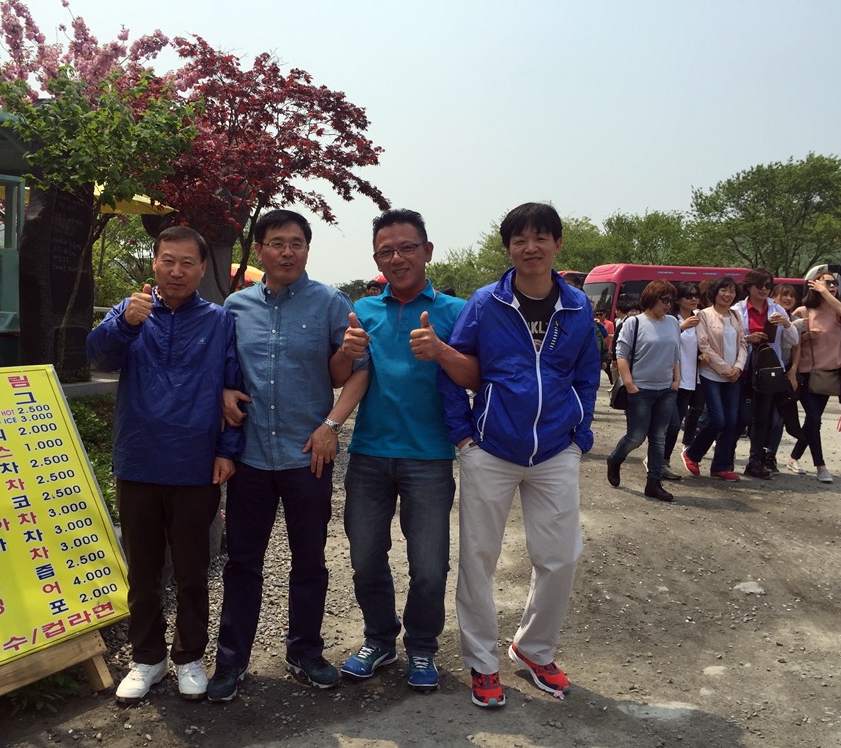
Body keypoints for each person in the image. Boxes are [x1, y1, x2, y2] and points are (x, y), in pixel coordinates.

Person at [438, 202, 598, 708]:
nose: (530, 248)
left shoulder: (577, 307)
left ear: (557, 244)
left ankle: (534, 649)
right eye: (519, 240)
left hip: (554, 451)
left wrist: (580, 437)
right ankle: (482, 662)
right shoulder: (486, 302)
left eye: (540, 238)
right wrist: (463, 436)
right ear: (508, 248)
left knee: (560, 557)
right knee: (478, 559)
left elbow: (587, 375)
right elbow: (452, 366)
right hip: (491, 449)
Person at [209, 210, 369, 702]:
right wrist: (222, 392)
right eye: (277, 242)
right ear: (259, 249)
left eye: (296, 243)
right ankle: (231, 660)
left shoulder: (331, 303)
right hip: (251, 457)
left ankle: (304, 651)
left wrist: (331, 426)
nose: (287, 251)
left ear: (307, 249)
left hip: (308, 455)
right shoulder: (234, 307)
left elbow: (355, 372)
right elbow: (219, 368)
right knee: (242, 562)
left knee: (309, 560)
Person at [86, 226, 244, 704]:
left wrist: (227, 450)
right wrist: (125, 324)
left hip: (195, 463)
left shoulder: (219, 321)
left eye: (187, 263)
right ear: (154, 263)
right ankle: (147, 658)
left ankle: (190, 656)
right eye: (168, 261)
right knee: (143, 570)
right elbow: (98, 357)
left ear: (202, 268)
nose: (177, 271)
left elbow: (235, 387)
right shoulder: (131, 309)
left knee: (194, 570)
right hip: (137, 460)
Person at [338, 209, 466, 691]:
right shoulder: (364, 310)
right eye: (386, 251)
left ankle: (423, 646)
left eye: (407, 247)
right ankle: (379, 639)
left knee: (430, 565)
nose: (397, 258)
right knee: (365, 558)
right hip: (369, 454)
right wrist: (347, 351)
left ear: (427, 251)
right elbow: (344, 376)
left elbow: (478, 376)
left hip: (430, 456)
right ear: (376, 259)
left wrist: (442, 351)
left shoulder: (457, 311)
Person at [606, 281, 681, 502]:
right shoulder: (635, 322)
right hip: (641, 389)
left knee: (658, 437)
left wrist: (676, 379)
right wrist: (630, 384)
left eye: (671, 301)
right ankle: (615, 459)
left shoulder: (672, 322)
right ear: (651, 298)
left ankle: (653, 483)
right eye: (664, 300)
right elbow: (621, 354)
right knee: (636, 437)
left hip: (666, 389)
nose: (668, 305)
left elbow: (675, 354)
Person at [731, 269, 799, 480]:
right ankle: (726, 456)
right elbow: (729, 339)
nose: (763, 289)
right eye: (759, 285)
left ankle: (754, 462)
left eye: (768, 286)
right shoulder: (737, 309)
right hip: (745, 370)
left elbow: (793, 340)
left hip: (768, 372)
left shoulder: (777, 309)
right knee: (741, 417)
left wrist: (786, 324)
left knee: (762, 418)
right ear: (749, 286)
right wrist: (748, 338)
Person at [682, 277, 748, 482]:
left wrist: (738, 367)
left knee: (731, 421)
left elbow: (743, 344)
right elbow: (704, 345)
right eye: (723, 290)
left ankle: (720, 466)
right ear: (715, 292)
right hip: (711, 374)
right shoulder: (703, 315)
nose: (728, 295)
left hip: (733, 376)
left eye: (731, 291)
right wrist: (725, 369)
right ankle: (692, 453)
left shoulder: (736, 316)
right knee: (718, 419)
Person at [788, 271, 841, 482]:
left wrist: (825, 291)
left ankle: (794, 457)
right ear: (813, 285)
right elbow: (790, 340)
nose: (832, 285)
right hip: (805, 373)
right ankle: (820, 465)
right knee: (814, 419)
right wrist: (806, 336)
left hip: (827, 375)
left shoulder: (838, 310)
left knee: (813, 421)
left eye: (835, 283)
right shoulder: (803, 311)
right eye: (827, 282)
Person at [662, 282, 703, 466]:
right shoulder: (671, 320)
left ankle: (664, 459)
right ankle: (661, 460)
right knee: (672, 424)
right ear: (678, 300)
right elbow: (664, 342)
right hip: (673, 378)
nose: (693, 299)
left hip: (694, 379)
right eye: (688, 296)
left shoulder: (700, 319)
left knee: (681, 422)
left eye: (696, 295)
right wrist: (681, 327)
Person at [763, 283, 802, 472]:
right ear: (774, 298)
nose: (788, 299)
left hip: (784, 374)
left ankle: (770, 455)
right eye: (783, 295)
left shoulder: (795, 320)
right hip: (766, 372)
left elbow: (797, 348)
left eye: (791, 296)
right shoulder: (768, 316)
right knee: (762, 416)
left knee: (779, 418)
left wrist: (792, 372)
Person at [594, 310, 613, 384]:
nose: (599, 316)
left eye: (600, 314)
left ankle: (612, 381)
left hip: (596, 358)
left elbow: (605, 335)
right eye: (597, 314)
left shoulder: (596, 326)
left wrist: (604, 360)